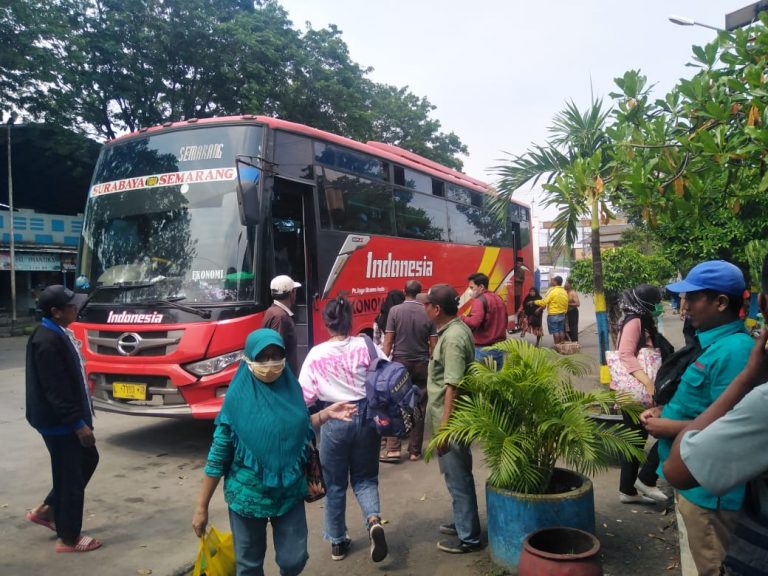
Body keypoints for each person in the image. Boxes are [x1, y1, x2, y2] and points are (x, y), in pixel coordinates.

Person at [192, 329, 357, 576]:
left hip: (288, 495)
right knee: (249, 566)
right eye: (263, 357)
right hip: (247, 499)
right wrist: (201, 507)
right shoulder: (236, 402)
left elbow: (294, 427)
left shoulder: (291, 392)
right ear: (248, 359)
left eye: (275, 356)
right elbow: (217, 458)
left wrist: (325, 414)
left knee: (295, 560)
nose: (270, 364)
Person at [641, 260, 754, 576]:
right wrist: (666, 411)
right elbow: (705, 405)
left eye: (692, 298)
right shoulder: (712, 344)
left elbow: (731, 426)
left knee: (713, 566)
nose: (684, 306)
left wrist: (667, 427)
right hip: (691, 481)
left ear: (720, 302)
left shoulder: (736, 352)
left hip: (709, 494)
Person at [298, 296, 388, 563]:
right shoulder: (366, 345)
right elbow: (385, 372)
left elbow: (304, 396)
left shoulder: (317, 354)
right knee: (365, 478)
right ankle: (373, 521)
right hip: (367, 417)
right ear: (350, 320)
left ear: (326, 323)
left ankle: (337, 542)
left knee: (335, 484)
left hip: (334, 418)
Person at [25, 285, 101, 553]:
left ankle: (48, 510)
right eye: (70, 306)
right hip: (60, 423)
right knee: (70, 476)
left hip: (64, 419)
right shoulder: (46, 340)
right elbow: (55, 390)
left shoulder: (57, 332)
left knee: (87, 459)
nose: (75, 308)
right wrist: (78, 424)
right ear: (56, 312)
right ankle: (68, 538)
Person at [424, 283, 483, 554]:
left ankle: (469, 537)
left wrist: (445, 429)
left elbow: (453, 385)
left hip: (453, 422)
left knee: (459, 478)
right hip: (449, 419)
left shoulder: (454, 338)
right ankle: (463, 522)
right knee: (454, 476)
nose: (423, 307)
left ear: (437, 309)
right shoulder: (451, 332)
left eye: (427, 303)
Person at [614, 285, 668, 505]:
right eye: (655, 303)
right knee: (649, 436)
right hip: (638, 390)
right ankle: (643, 481)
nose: (658, 308)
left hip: (639, 391)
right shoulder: (635, 320)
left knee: (636, 440)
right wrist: (648, 383)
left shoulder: (641, 319)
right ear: (646, 304)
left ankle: (628, 490)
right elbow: (625, 354)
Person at [380, 280, 437, 462]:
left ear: (404, 292)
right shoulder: (427, 313)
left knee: (395, 404)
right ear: (420, 293)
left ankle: (394, 449)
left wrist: (381, 364)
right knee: (419, 406)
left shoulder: (394, 311)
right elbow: (434, 345)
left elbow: (388, 342)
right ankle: (414, 451)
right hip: (422, 364)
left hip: (400, 364)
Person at [461, 272, 507, 369]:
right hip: (499, 348)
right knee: (496, 380)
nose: (470, 291)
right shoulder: (498, 298)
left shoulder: (480, 300)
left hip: (483, 349)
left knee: (481, 382)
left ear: (481, 287)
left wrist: (462, 317)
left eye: (472, 287)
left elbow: (473, 322)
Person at [261, 275, 301, 376]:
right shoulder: (280, 317)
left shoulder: (273, 311)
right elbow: (276, 353)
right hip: (284, 378)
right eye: (295, 290)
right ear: (291, 293)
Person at [534, 275, 569, 345]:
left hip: (553, 315)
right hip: (562, 315)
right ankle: (562, 346)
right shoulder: (564, 291)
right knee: (561, 330)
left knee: (555, 332)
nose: (551, 281)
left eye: (552, 280)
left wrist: (534, 302)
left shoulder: (552, 291)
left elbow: (544, 302)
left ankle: (557, 346)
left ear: (555, 282)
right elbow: (566, 303)